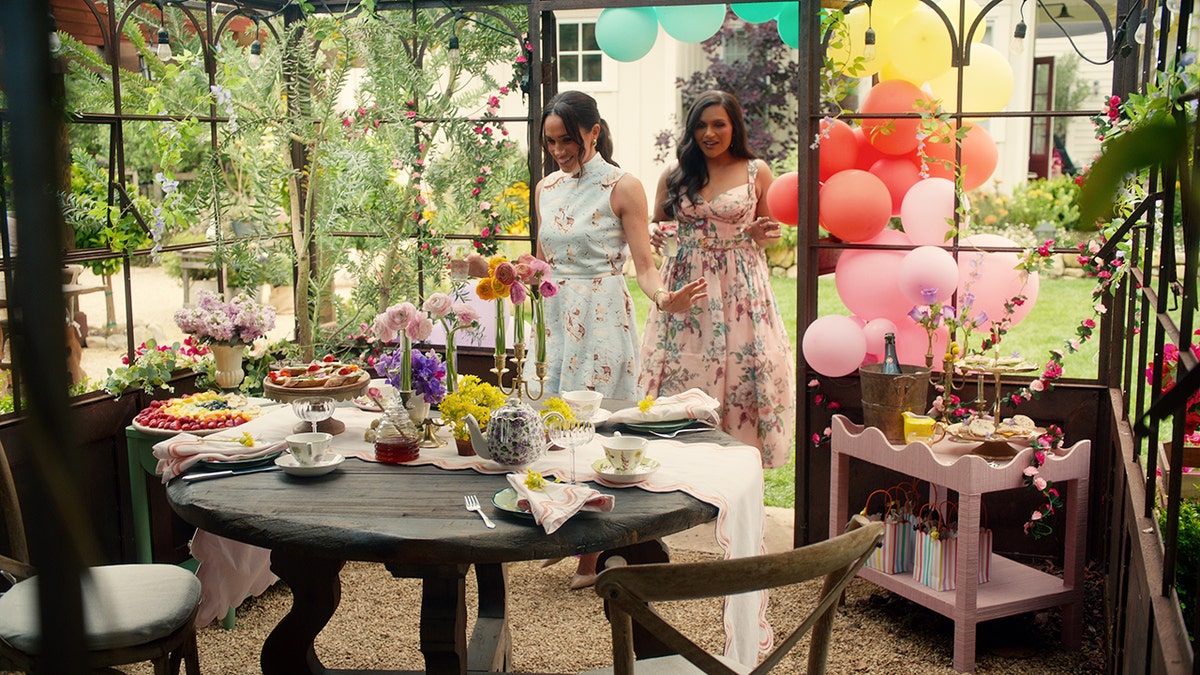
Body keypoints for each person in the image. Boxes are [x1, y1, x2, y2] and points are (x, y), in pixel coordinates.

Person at [534, 90, 707, 590]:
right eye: (551, 142)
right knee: (554, 423)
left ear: (593, 131)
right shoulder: (546, 187)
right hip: (554, 314)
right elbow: (542, 262)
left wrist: (664, 298)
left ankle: (597, 550)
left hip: (604, 313)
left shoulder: (623, 186)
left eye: (568, 139)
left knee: (597, 426)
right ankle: (571, 527)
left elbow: (645, 268)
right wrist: (498, 271)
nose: (559, 150)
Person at [639, 90, 796, 469]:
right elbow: (656, 229)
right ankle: (682, 463)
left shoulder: (757, 171)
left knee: (743, 369)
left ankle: (737, 466)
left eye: (718, 124)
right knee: (683, 370)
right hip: (687, 286)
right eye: (701, 125)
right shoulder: (675, 175)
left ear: (733, 127)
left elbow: (767, 228)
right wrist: (658, 235)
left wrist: (761, 235)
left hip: (742, 288)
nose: (709, 133)